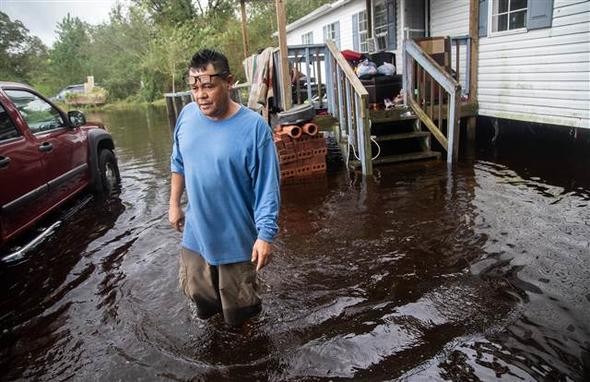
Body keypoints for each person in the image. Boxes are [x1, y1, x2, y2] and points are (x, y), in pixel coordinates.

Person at [169, 48, 280, 326]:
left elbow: (268, 186)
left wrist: (265, 235)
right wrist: (174, 204)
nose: (200, 95)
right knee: (204, 310)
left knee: (242, 319)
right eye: (194, 87)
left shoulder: (254, 128)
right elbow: (178, 161)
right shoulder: (187, 116)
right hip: (196, 236)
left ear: (228, 82)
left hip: (237, 242)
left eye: (208, 86)